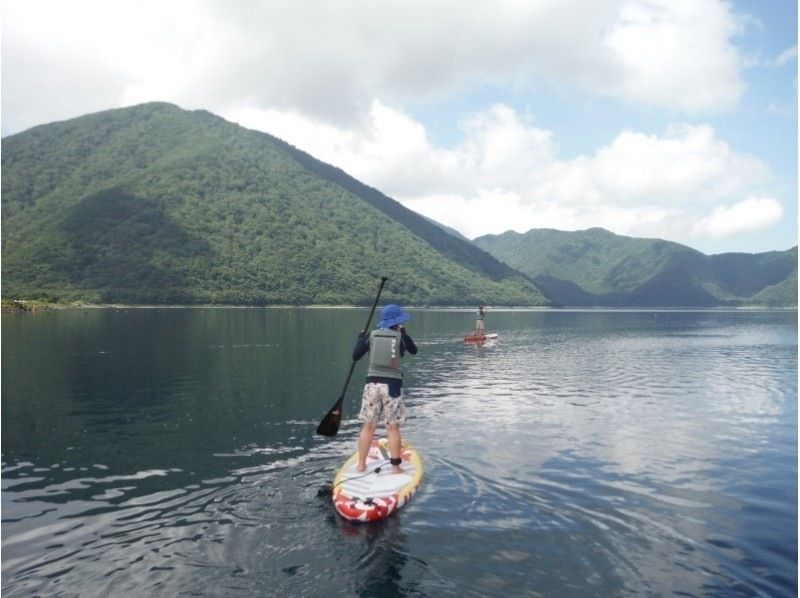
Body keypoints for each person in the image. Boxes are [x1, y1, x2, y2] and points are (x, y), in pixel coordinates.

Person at [352, 304, 418, 474]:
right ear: (397, 322)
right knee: (392, 427)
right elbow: (413, 350)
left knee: (368, 426)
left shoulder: (371, 336)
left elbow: (356, 355)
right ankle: (395, 468)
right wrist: (403, 334)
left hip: (372, 385)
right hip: (392, 386)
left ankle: (361, 465)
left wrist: (361, 338)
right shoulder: (400, 337)